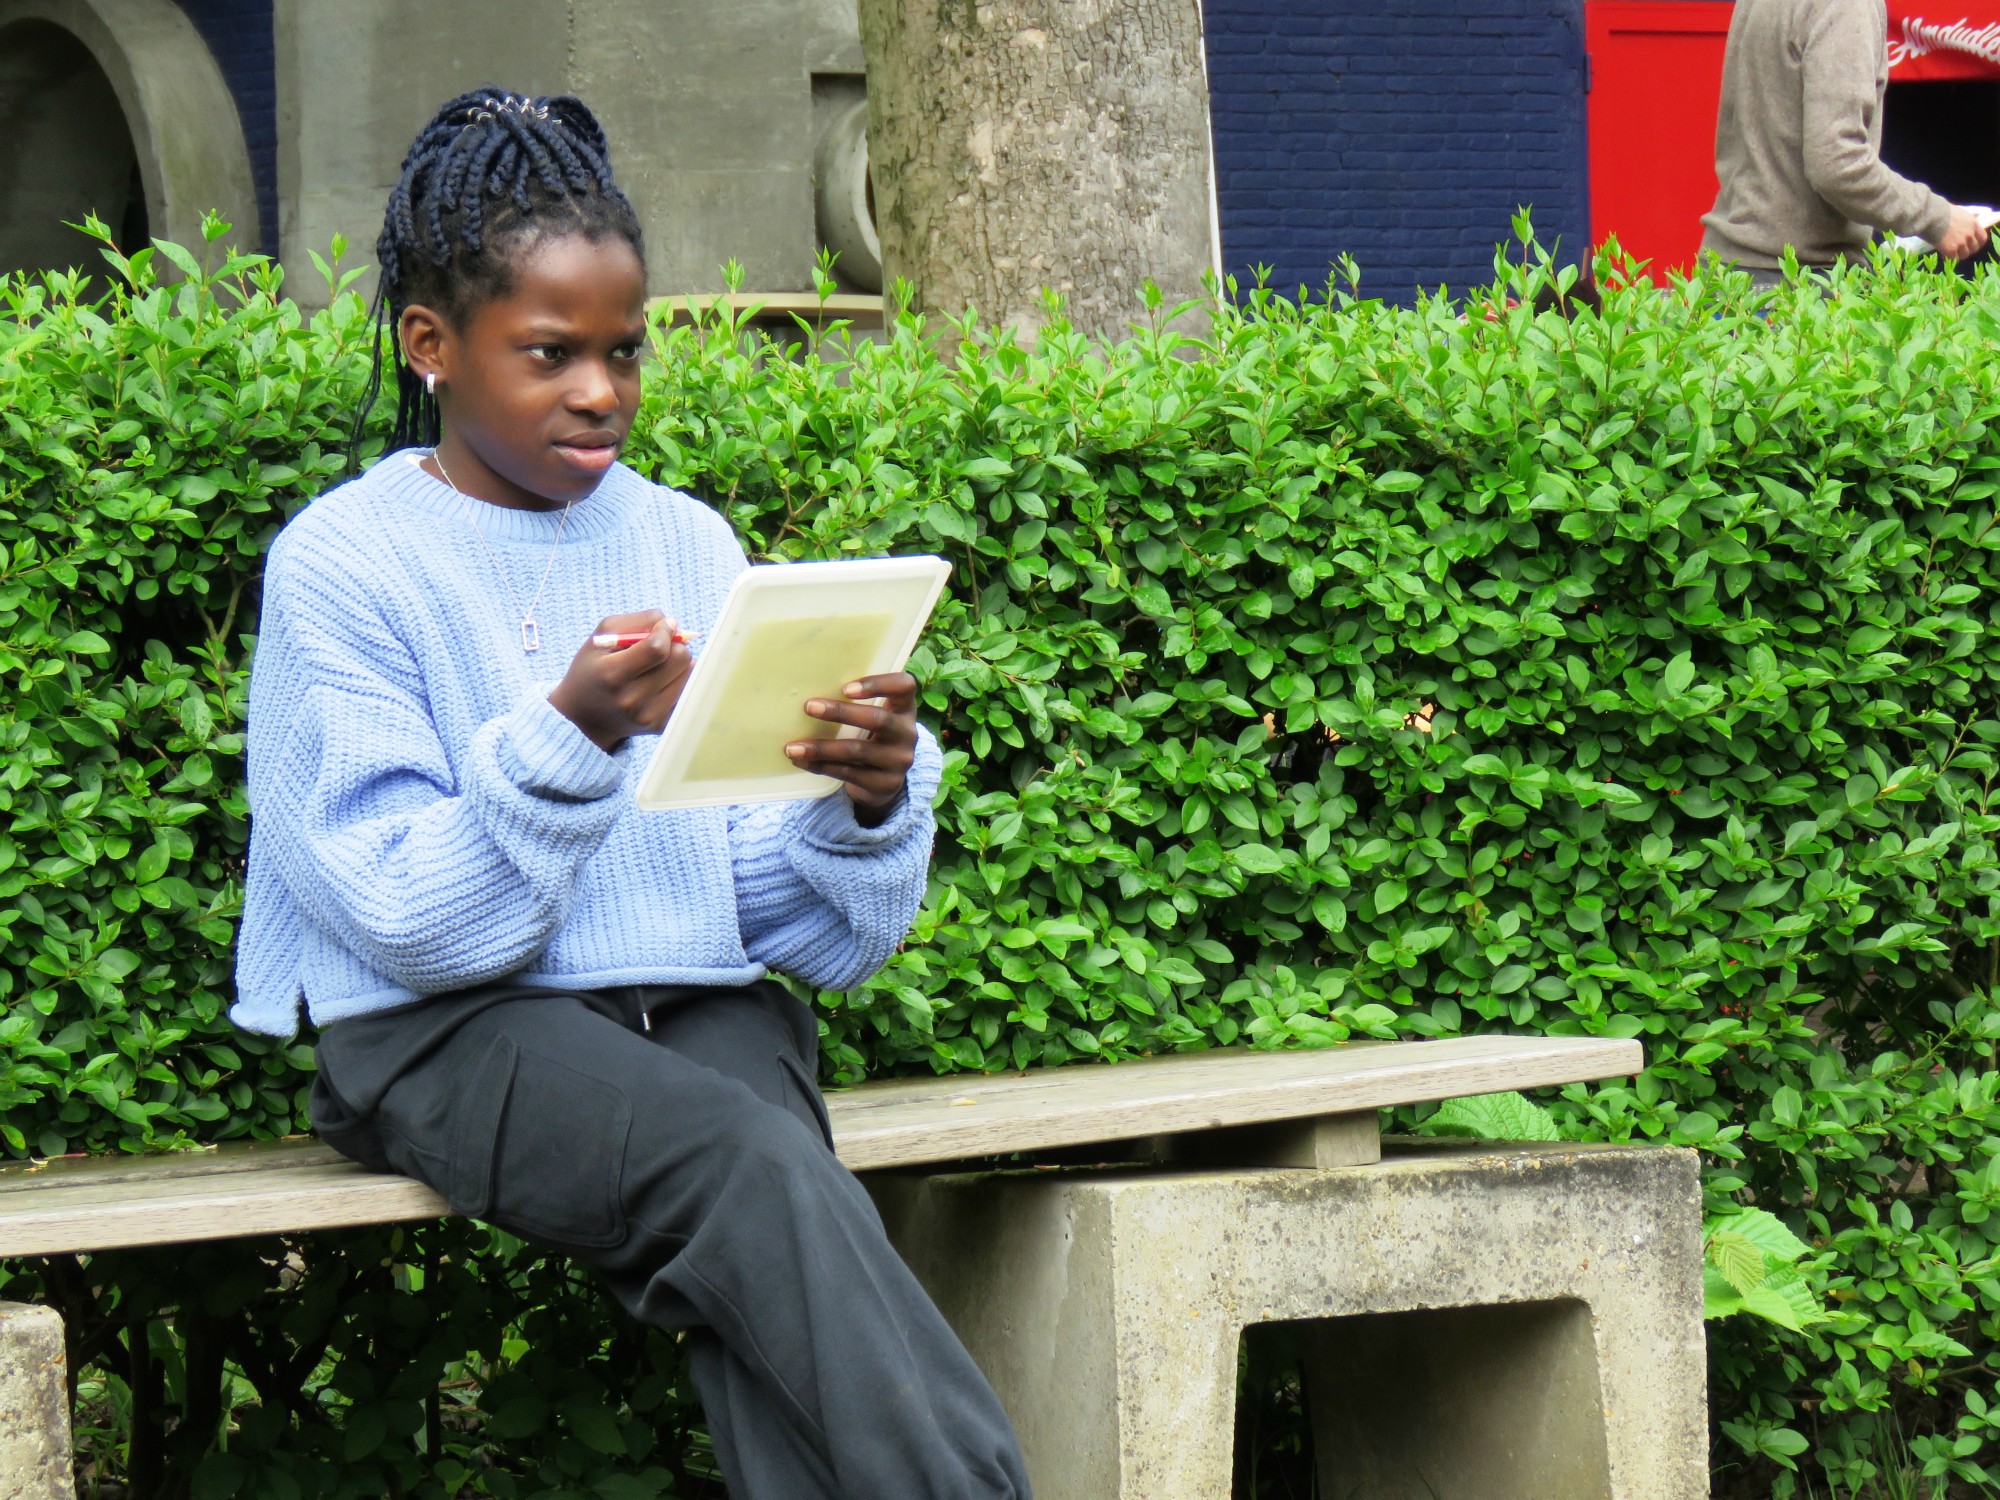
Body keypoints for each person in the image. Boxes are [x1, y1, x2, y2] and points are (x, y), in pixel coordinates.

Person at [231, 88, 1030, 1500]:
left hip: (691, 995)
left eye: (622, 350)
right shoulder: (343, 563)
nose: (598, 390)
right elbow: (404, 915)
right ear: (432, 346)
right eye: (548, 354)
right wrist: (573, 738)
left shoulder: (685, 538)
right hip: (439, 1029)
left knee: (764, 1248)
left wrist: (862, 803)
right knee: (758, 1174)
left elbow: (781, 921)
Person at [1700, 0, 1989, 281]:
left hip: (1729, 274)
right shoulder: (1846, 6)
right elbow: (1837, 164)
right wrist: (1937, 218)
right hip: (1793, 286)